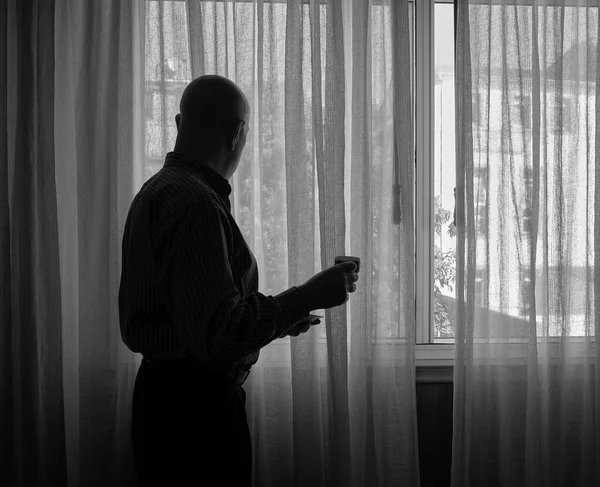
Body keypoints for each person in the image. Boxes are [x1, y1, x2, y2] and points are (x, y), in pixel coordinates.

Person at [118, 74, 359, 486]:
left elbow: (194, 321)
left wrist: (283, 320)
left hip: (163, 406)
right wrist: (305, 298)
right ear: (238, 134)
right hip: (196, 419)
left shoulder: (155, 192)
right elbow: (218, 338)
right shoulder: (196, 205)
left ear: (179, 124)